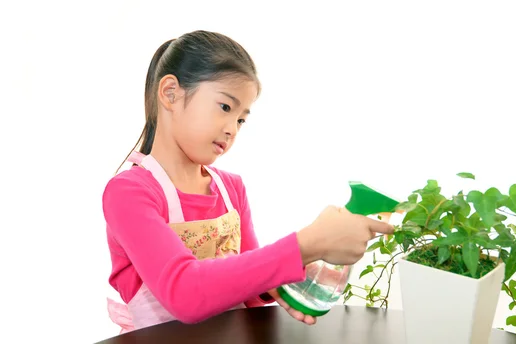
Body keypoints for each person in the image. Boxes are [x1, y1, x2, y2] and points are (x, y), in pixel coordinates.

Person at [102, 30, 394, 333]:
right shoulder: (129, 192)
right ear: (171, 93)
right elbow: (184, 293)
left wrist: (293, 274)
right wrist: (306, 244)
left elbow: (250, 291)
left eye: (241, 119)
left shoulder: (231, 189)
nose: (232, 129)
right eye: (226, 107)